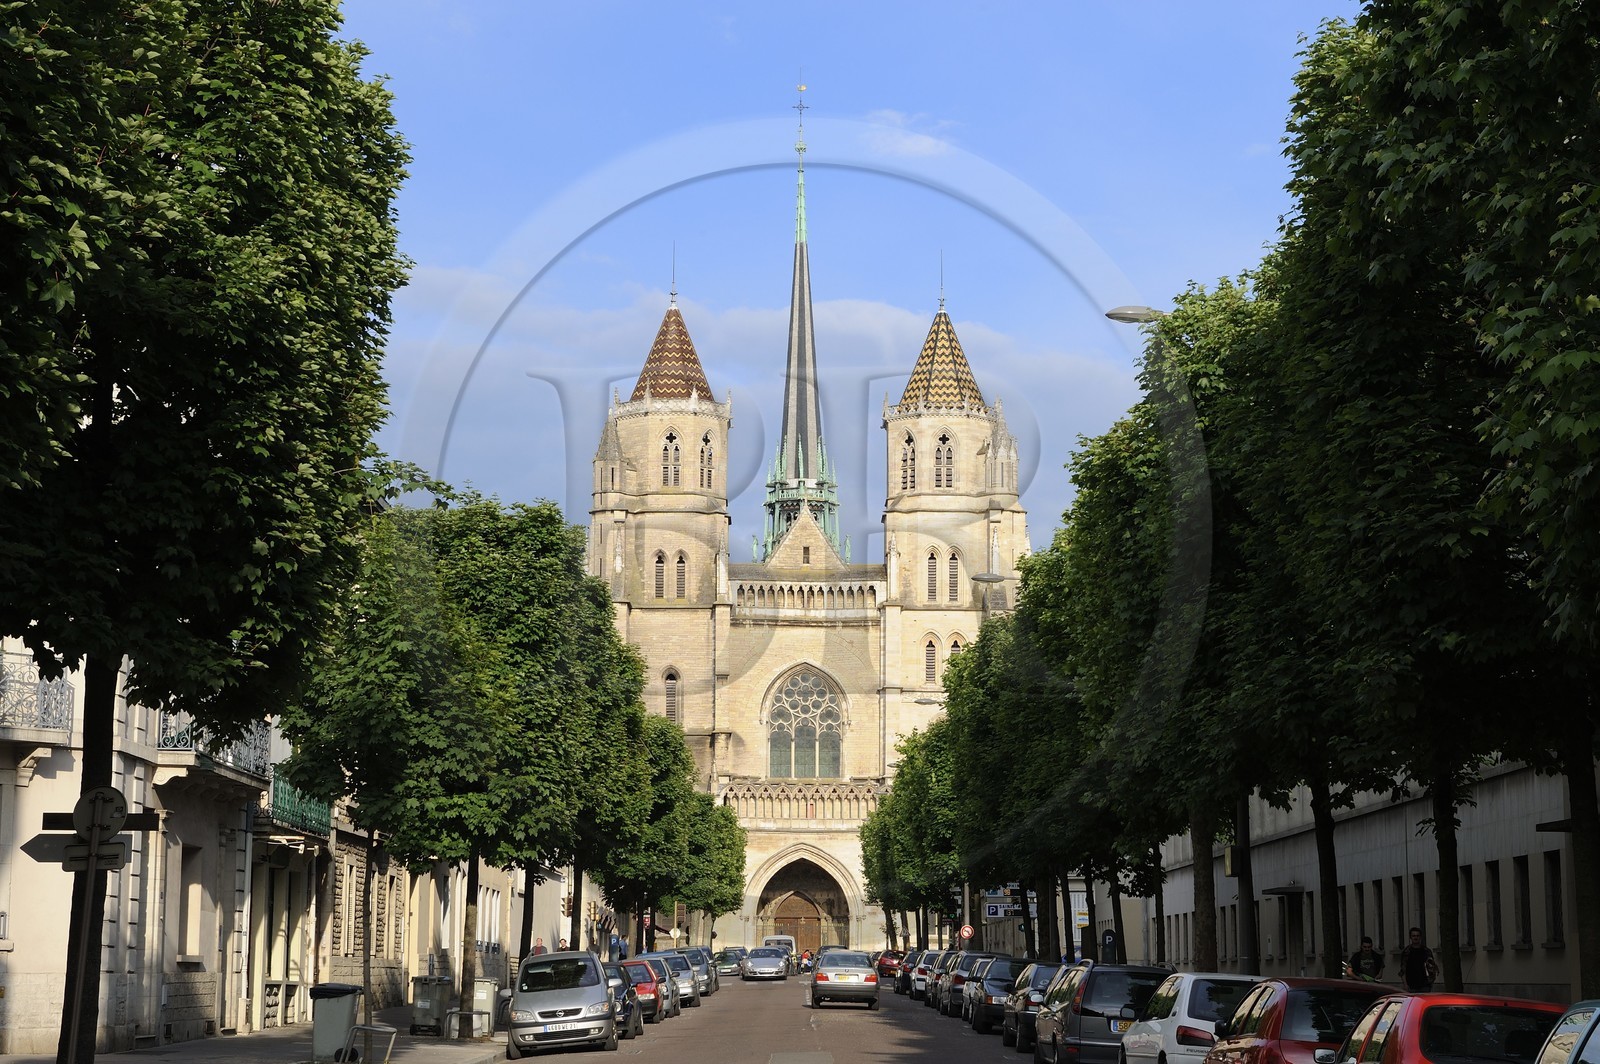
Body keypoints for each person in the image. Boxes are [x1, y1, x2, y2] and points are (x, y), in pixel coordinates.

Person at [1399, 927, 1438, 991]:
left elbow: (1432, 967)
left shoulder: (1426, 951)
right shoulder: (1406, 952)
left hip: (1425, 985)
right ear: (1410, 937)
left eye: (1417, 936)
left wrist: (1431, 982)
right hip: (1411, 985)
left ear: (1420, 937)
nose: (1415, 938)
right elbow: (1403, 970)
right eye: (1413, 936)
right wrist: (1405, 984)